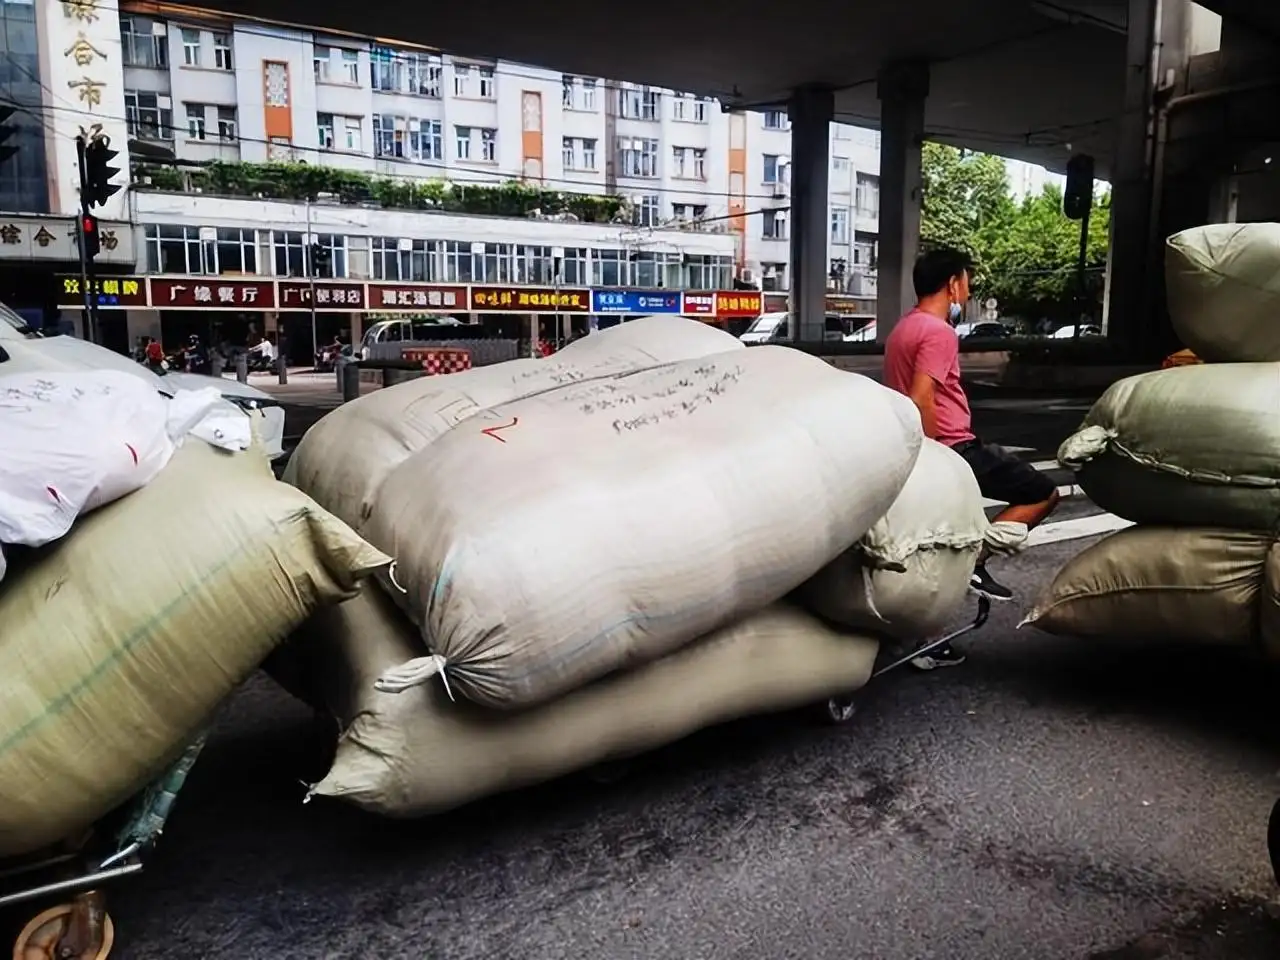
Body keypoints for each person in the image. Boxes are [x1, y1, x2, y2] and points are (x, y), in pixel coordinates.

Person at [884, 247, 1060, 669]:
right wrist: (934, 457)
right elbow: (921, 397)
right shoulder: (938, 331)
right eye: (967, 279)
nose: (969, 287)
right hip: (951, 447)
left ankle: (926, 643)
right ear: (952, 284)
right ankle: (976, 561)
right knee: (1043, 492)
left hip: (910, 447)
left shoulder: (902, 329)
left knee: (927, 547)